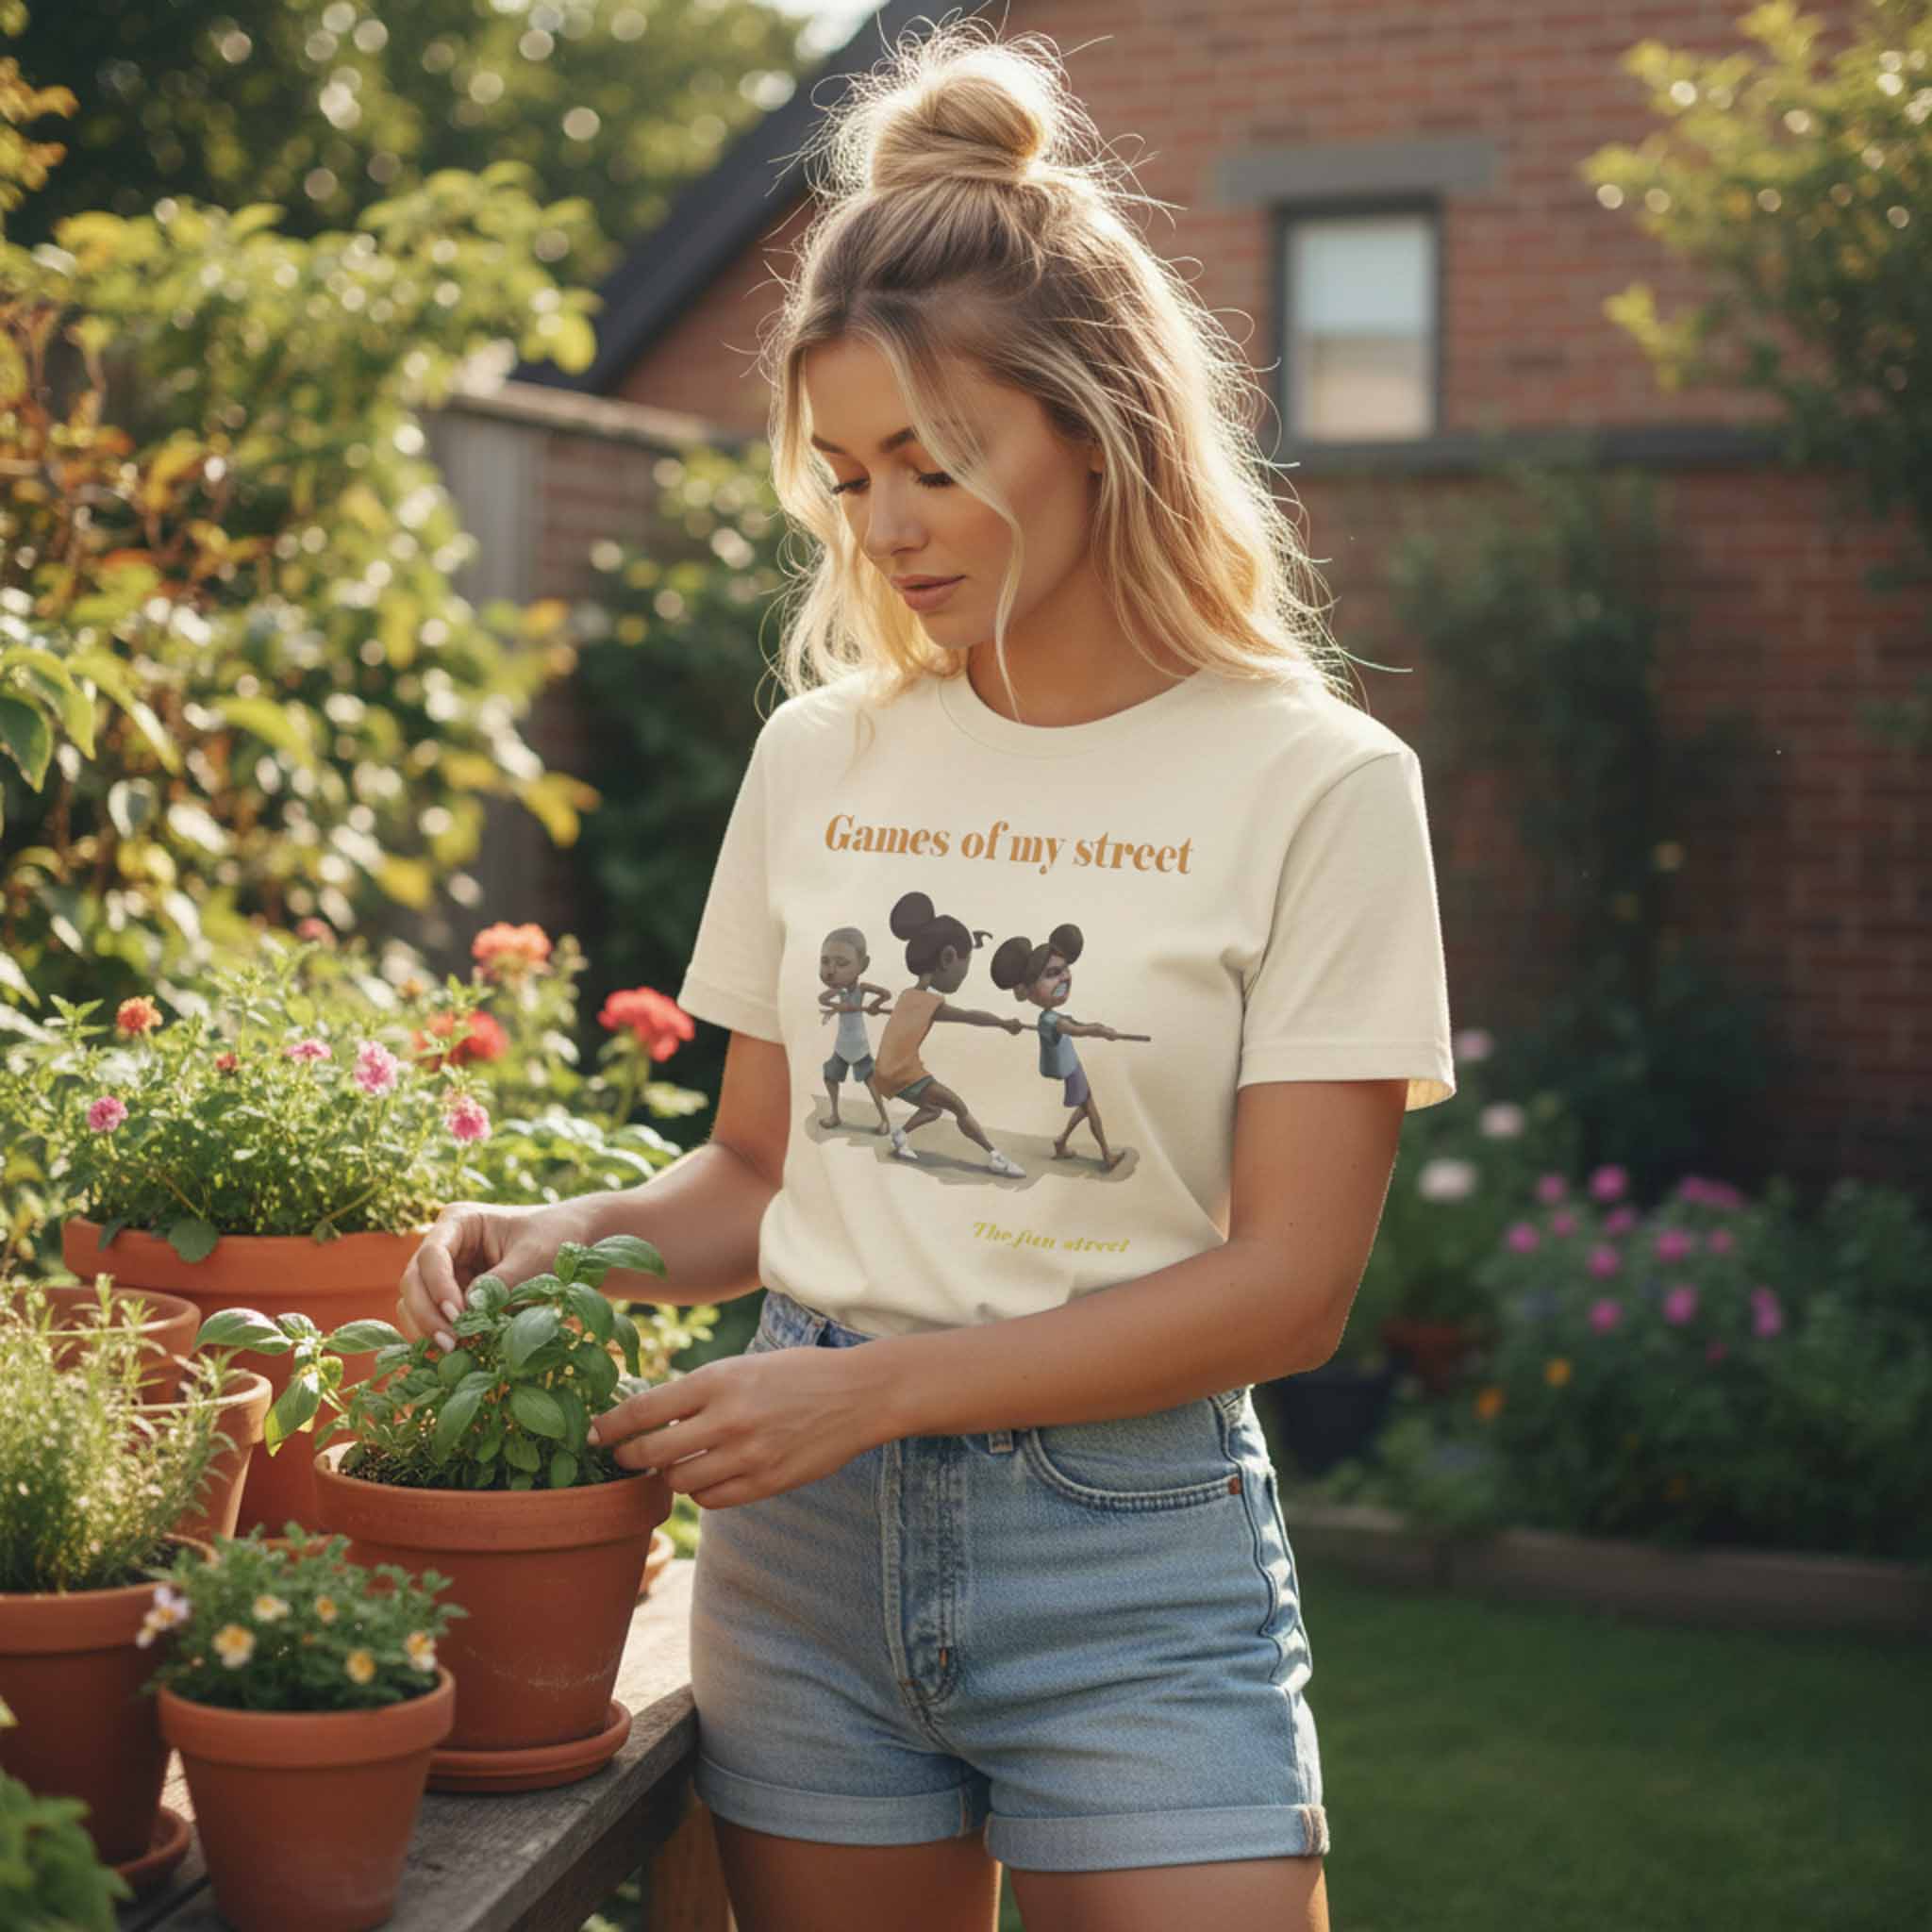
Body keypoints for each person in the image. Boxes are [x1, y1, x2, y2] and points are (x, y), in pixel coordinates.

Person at [394, 21, 1456, 1932]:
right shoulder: (823, 752)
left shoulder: (1317, 783)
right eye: (849, 471)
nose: (882, 528)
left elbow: (1289, 1288)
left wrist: (877, 1393)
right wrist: (561, 1236)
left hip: (1130, 1558)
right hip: (801, 1550)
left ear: (1093, 423)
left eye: (935, 464)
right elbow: (753, 1178)